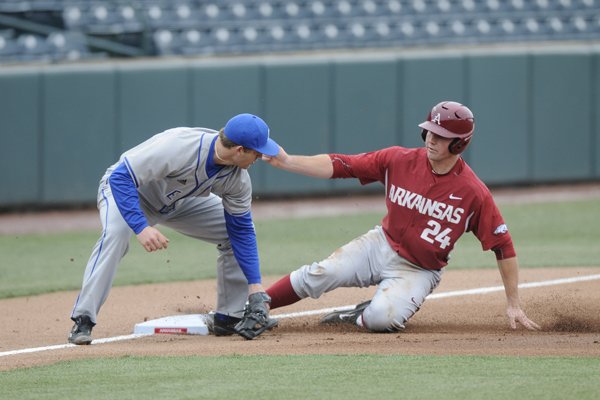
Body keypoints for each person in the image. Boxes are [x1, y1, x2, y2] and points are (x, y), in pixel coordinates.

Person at [263, 101, 541, 333]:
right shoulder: (398, 159)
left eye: (441, 135)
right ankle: (258, 305)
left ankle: (358, 316)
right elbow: (342, 164)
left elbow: (502, 245)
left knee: (382, 319)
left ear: (459, 144)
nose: (431, 139)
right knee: (322, 272)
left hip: (419, 269)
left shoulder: (473, 193)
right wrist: (288, 161)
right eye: (429, 131)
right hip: (380, 244)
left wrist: (513, 303)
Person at [69, 113, 279, 344]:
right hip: (128, 194)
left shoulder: (238, 180)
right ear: (240, 150)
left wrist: (255, 286)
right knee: (116, 235)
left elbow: (241, 230)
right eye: (257, 152)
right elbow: (121, 178)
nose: (260, 157)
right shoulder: (178, 146)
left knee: (232, 232)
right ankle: (83, 319)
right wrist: (140, 227)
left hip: (178, 202)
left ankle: (229, 316)